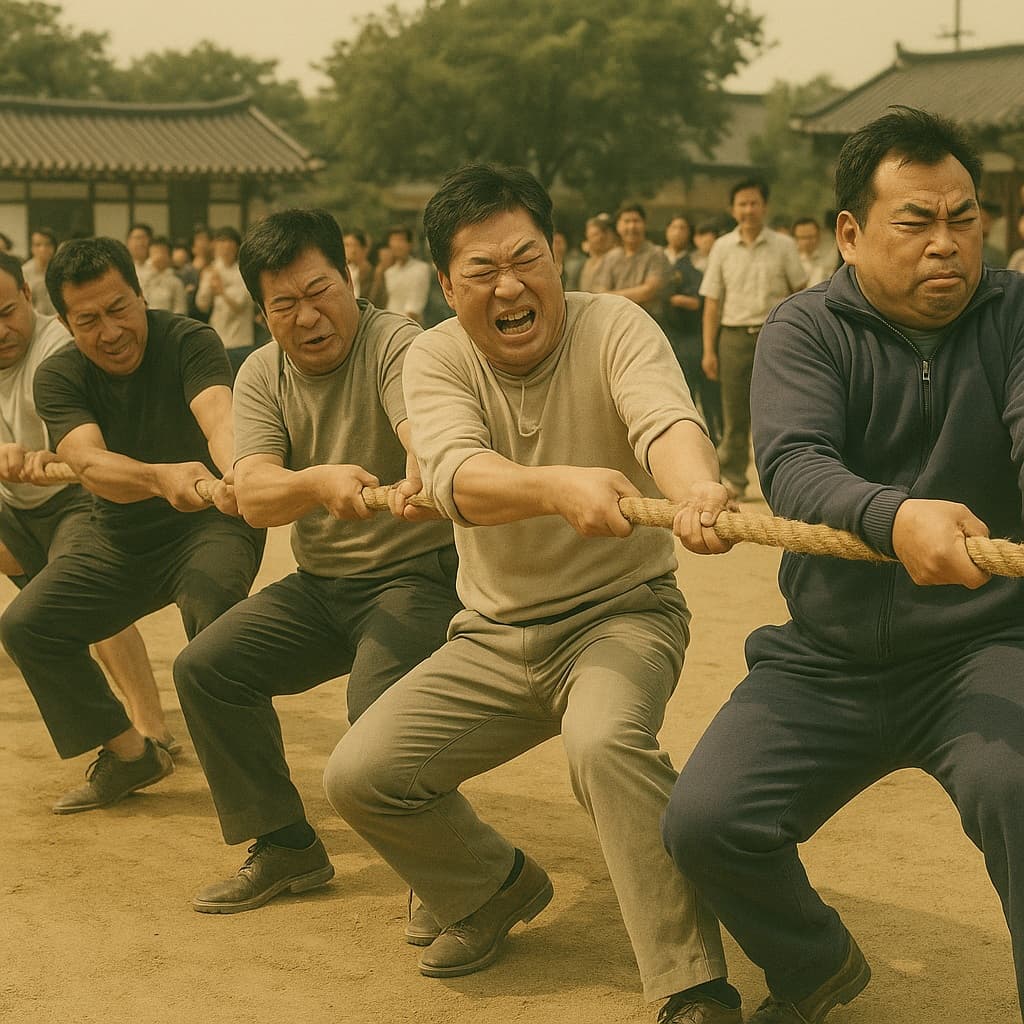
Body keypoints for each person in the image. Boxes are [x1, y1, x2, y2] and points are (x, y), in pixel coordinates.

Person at [324, 163, 743, 1024]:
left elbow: (664, 419)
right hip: (494, 635)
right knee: (361, 775)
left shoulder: (615, 323)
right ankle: (492, 888)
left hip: (622, 615)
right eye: (481, 271)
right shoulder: (435, 356)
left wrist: (695, 486)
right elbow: (456, 478)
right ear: (446, 285)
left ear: (558, 257)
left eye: (528, 259)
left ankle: (690, 980)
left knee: (602, 744)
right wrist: (558, 486)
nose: (510, 286)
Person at [662, 107, 1024, 1022]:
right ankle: (816, 964)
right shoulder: (805, 328)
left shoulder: (1017, 314)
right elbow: (792, 466)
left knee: (1022, 788)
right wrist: (894, 516)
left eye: (965, 218)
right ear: (852, 235)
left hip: (983, 647)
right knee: (706, 824)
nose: (947, 244)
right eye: (917, 222)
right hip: (827, 653)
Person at [172, 208, 461, 914]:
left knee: (376, 705)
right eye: (285, 304)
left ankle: (449, 870)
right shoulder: (261, 374)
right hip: (322, 585)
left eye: (319, 290)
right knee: (207, 668)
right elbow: (257, 495)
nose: (308, 316)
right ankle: (286, 845)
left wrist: (423, 468)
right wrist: (321, 482)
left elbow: (417, 426)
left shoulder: (397, 341)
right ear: (262, 312)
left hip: (419, 574)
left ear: (350, 277)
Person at [0, 237, 265, 814]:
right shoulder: (60, 374)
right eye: (88, 320)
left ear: (142, 295)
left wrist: (240, 468)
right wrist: (158, 478)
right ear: (67, 324)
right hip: (119, 535)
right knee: (28, 625)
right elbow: (90, 464)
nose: (110, 331)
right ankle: (130, 755)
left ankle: (265, 810)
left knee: (212, 610)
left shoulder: (189, 339)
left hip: (211, 523)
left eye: (119, 309)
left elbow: (218, 415)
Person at [0, 251, 174, 751]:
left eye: (7, 312)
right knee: (45, 617)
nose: (1, 330)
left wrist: (47, 452)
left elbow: (97, 433)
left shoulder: (64, 346)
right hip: (16, 506)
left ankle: (150, 726)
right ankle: (117, 734)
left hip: (80, 497)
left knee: (89, 600)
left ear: (29, 298)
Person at [700, 180, 806, 499]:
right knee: (733, 413)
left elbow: (799, 292)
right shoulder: (721, 248)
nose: (748, 210)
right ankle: (734, 479)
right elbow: (713, 303)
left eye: (754, 203)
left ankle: (784, 481)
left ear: (765, 206)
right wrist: (709, 349)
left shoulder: (784, 246)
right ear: (733, 209)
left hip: (774, 336)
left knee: (780, 411)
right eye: (742, 204)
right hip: (732, 337)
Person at [663, 217, 722, 445]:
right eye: (674, 226)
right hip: (662, 333)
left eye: (683, 228)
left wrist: (677, 299)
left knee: (695, 392)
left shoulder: (693, 267)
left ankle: (707, 441)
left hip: (690, 336)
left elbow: (699, 302)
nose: (678, 232)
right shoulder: (657, 261)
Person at [196, 227, 256, 376]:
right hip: (218, 340)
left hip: (241, 340)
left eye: (229, 245)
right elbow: (202, 305)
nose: (224, 250)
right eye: (221, 245)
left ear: (236, 248)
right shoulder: (212, 270)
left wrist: (222, 291)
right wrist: (208, 285)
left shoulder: (243, 271)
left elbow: (240, 306)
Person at [596, 203, 671, 321]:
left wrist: (611, 296)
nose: (631, 226)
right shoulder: (611, 257)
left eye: (636, 221)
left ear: (644, 224)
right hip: (616, 320)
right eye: (626, 221)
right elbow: (600, 291)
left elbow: (648, 291)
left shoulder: (656, 254)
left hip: (649, 321)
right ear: (618, 226)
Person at [384, 226, 431, 325]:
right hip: (389, 324)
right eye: (393, 241)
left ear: (410, 245)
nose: (397, 245)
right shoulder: (389, 272)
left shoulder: (420, 269)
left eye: (401, 241)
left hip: (411, 326)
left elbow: (415, 307)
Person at [343, 228, 388, 308]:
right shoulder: (341, 271)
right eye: (347, 245)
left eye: (355, 245)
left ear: (364, 248)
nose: (352, 250)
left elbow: (377, 300)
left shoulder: (374, 273)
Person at [142, 236, 187, 314]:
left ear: (169, 256)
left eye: (162, 252)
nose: (159, 256)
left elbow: (180, 310)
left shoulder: (176, 282)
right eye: (155, 252)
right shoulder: (141, 278)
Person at [577, 213, 618, 292]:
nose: (599, 238)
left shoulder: (613, 257)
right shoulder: (587, 262)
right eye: (594, 235)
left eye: (598, 234)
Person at [22, 228, 57, 317]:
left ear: (53, 247)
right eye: (38, 245)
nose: (43, 249)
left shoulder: (60, 268)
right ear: (32, 248)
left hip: (58, 320)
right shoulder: (24, 271)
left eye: (47, 244)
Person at [791, 217, 836, 287]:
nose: (807, 241)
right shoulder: (791, 260)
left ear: (818, 236)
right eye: (802, 238)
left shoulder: (829, 257)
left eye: (810, 237)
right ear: (795, 238)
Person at [126, 223, 154, 292]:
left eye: (144, 238)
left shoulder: (156, 266)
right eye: (137, 238)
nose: (140, 243)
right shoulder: (123, 267)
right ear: (128, 242)